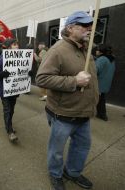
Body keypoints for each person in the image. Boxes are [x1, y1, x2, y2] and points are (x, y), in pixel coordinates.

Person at [35, 11, 99, 190]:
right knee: (56, 151)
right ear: (70, 28)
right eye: (84, 25)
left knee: (81, 146)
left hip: (83, 112)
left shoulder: (86, 47)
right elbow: (42, 79)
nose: (89, 29)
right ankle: (55, 174)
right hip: (62, 113)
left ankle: (72, 172)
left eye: (90, 25)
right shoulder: (57, 50)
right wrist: (74, 81)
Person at [0, 38, 20, 142]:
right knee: (7, 110)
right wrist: (2, 74)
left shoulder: (20, 57)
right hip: (5, 91)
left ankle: (9, 125)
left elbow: (22, 70)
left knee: (12, 110)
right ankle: (10, 131)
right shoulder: (1, 58)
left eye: (17, 44)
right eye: (14, 44)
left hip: (14, 90)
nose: (17, 46)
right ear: (9, 47)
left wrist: (28, 73)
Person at [95, 44, 115, 121]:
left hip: (99, 83)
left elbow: (95, 70)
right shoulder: (111, 59)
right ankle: (102, 115)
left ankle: (101, 114)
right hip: (105, 84)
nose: (96, 51)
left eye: (97, 49)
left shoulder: (102, 59)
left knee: (96, 99)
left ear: (101, 52)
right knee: (101, 100)